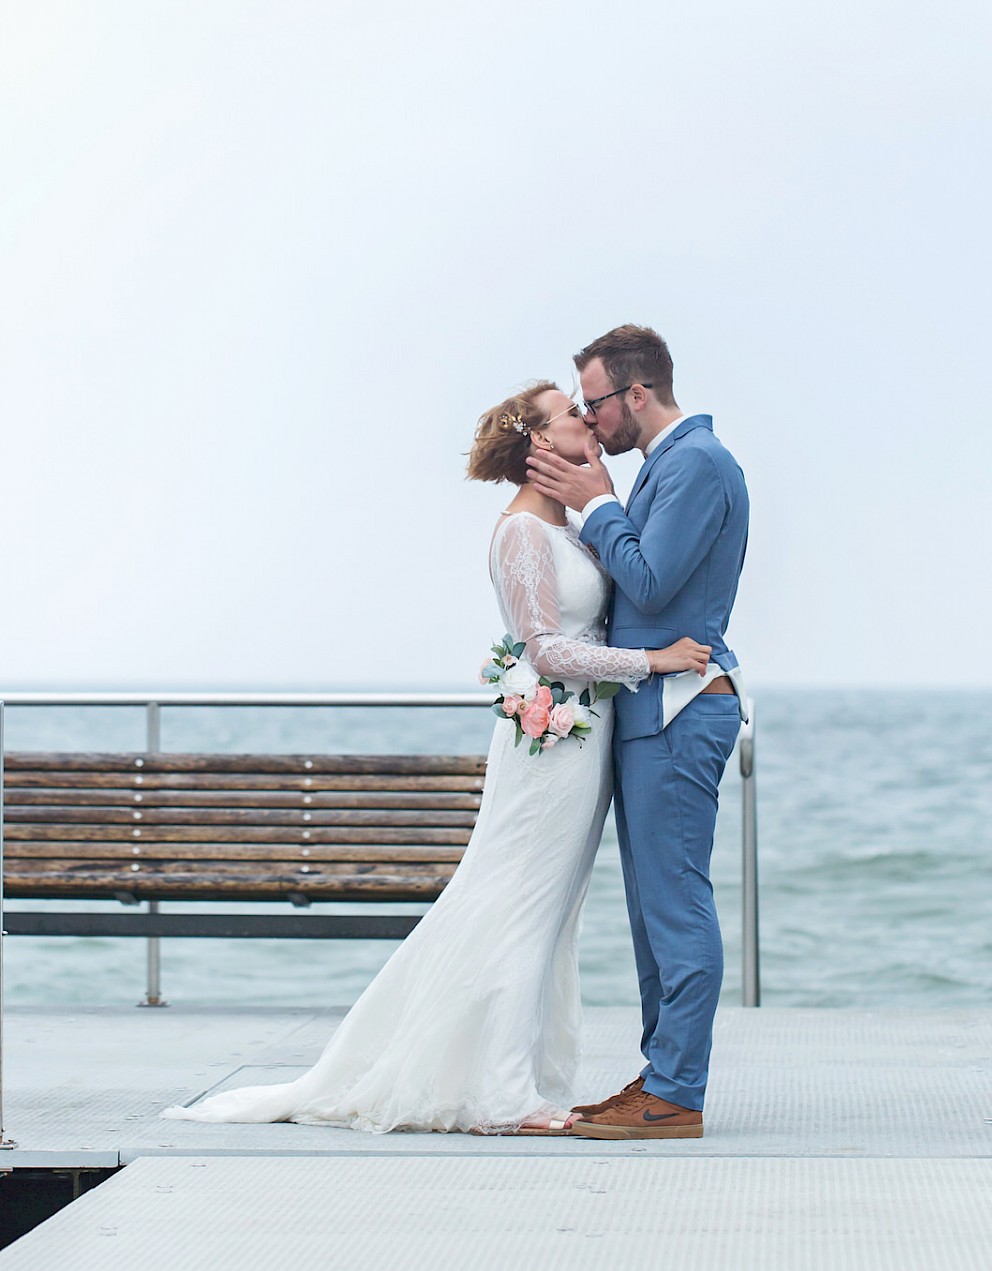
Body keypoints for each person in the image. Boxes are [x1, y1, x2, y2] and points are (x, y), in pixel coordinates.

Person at [163, 381, 710, 1135]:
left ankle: (517, 1073)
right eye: (570, 414)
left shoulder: (570, 526)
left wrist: (604, 503)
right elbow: (545, 648)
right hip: (549, 748)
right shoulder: (520, 532)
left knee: (550, 912)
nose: (587, 418)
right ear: (540, 444)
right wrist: (654, 662)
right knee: (520, 904)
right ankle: (504, 1096)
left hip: (579, 741)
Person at [526, 326, 750, 1141]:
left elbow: (650, 578)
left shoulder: (695, 464)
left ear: (637, 395)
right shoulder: (670, 463)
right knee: (653, 912)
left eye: (595, 404)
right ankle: (661, 1075)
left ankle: (678, 1093)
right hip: (651, 714)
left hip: (682, 711)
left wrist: (595, 505)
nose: (592, 421)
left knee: (677, 905)